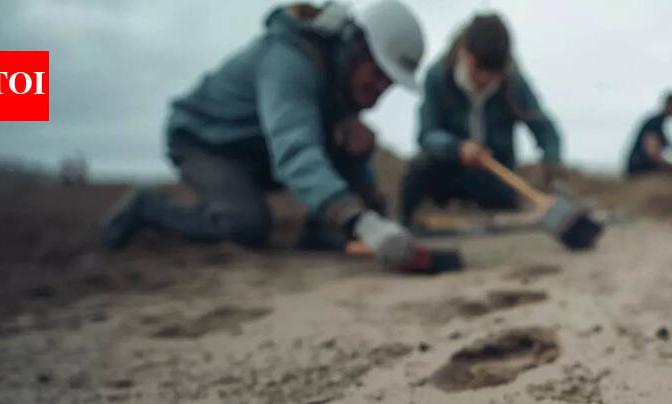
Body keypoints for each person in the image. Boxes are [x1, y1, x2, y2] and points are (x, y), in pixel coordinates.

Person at [102, 1, 461, 274]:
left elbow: (339, 154)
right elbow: (294, 151)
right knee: (245, 225)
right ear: (356, 47)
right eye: (378, 73)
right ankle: (146, 208)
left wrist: (376, 212)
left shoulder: (339, 82)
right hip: (208, 143)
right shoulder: (290, 62)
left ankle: (320, 233)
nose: (379, 90)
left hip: (260, 149)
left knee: (355, 137)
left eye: (390, 83)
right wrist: (361, 223)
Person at [398, 13, 562, 227]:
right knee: (418, 170)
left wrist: (552, 172)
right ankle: (406, 225)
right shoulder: (437, 77)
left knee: (506, 200)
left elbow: (545, 130)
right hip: (446, 172)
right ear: (465, 53)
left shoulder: (512, 83)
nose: (485, 78)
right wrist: (457, 148)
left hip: (493, 178)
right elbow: (426, 134)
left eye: (493, 72)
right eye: (479, 68)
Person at [624, 92, 672, 178]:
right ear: (669, 104)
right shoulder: (654, 123)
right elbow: (652, 153)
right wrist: (670, 167)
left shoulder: (659, 124)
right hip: (640, 168)